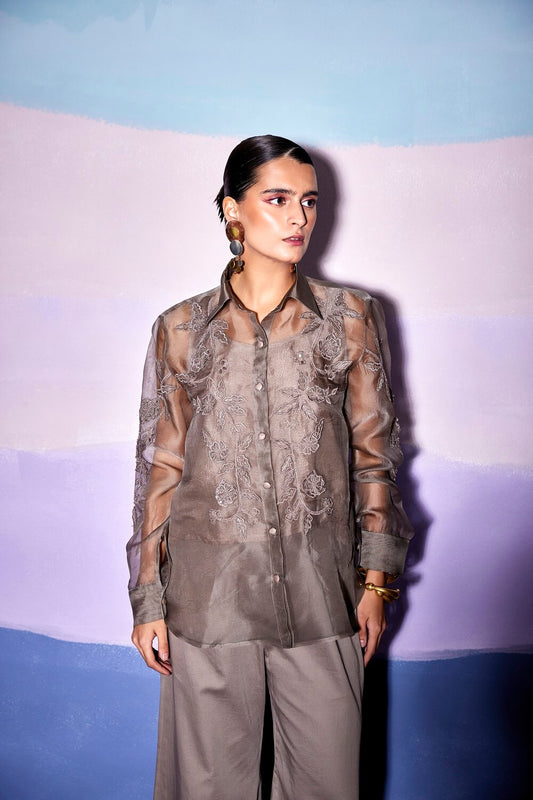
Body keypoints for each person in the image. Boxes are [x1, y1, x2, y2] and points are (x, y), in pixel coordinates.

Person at [127, 135, 413, 799]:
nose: (297, 218)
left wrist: (375, 585)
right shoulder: (180, 329)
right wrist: (148, 598)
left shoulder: (350, 318)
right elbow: (160, 470)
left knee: (325, 784)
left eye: (308, 201)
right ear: (233, 209)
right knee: (208, 788)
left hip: (321, 596)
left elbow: (375, 455)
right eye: (277, 199)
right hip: (208, 602)